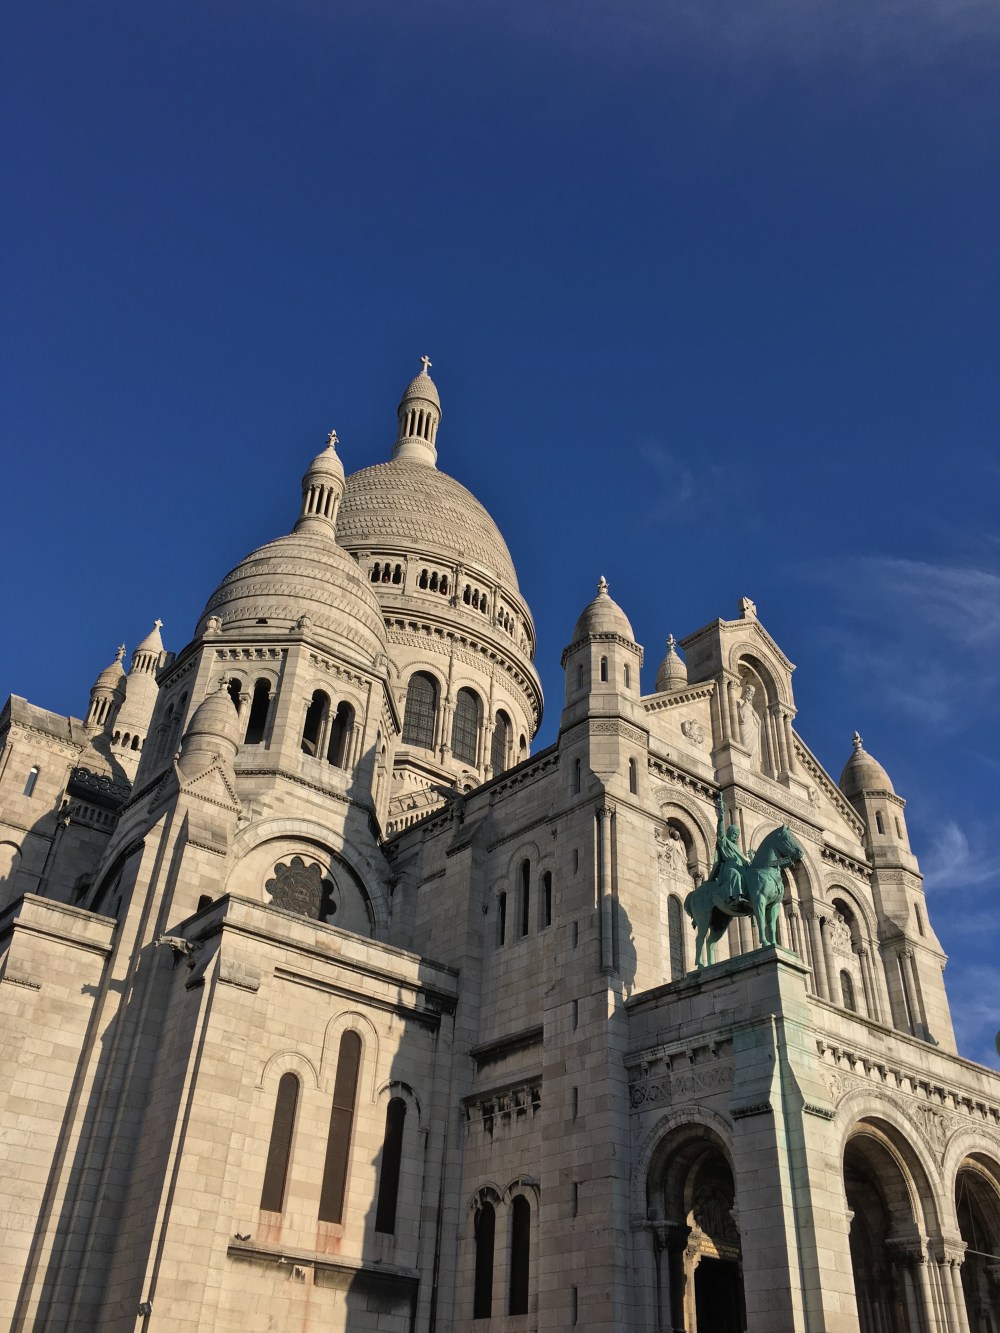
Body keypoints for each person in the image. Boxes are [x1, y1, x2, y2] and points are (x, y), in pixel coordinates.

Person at [711, 792, 748, 904]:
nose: (735, 835)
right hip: (729, 868)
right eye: (733, 832)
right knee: (736, 874)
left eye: (736, 834)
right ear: (729, 832)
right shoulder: (724, 841)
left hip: (739, 867)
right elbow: (720, 834)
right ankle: (735, 897)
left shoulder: (736, 847)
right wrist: (721, 819)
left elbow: (743, 860)